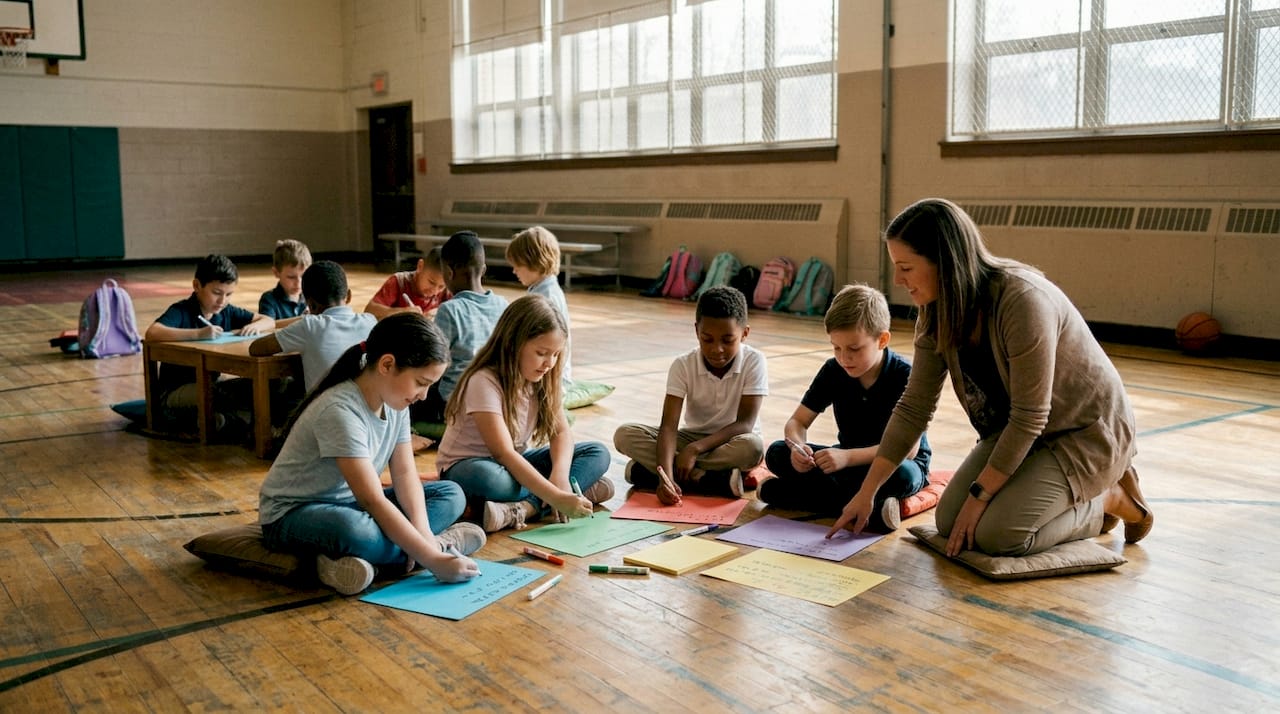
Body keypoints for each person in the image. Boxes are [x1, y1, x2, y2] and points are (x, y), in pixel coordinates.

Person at [827, 198, 1153, 556]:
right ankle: (1068, 498)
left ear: (945, 262)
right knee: (951, 522)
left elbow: (1031, 416)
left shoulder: (1022, 300)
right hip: (1018, 432)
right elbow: (913, 408)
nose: (898, 280)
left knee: (999, 536)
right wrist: (867, 493)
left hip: (1082, 433)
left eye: (905, 267)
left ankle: (1108, 497)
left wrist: (980, 498)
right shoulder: (934, 311)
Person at [259, 313, 486, 596]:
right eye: (421, 382)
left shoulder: (396, 403)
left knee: (451, 494)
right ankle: (434, 547)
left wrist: (425, 539)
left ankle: (390, 556)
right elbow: (373, 500)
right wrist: (433, 560)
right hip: (294, 514)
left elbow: (404, 475)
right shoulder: (339, 411)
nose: (425, 395)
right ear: (387, 364)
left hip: (352, 505)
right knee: (357, 532)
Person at [759, 284, 930, 531]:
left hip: (895, 463)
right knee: (776, 453)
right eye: (836, 347)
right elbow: (797, 422)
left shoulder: (904, 376)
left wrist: (847, 457)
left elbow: (908, 451)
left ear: (882, 340)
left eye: (854, 349)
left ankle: (789, 495)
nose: (843, 357)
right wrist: (798, 448)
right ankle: (875, 510)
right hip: (848, 462)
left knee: (903, 475)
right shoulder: (833, 370)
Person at [437, 294, 613, 532]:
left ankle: (524, 509)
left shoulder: (542, 378)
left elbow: (561, 432)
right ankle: (568, 495)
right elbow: (504, 453)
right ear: (513, 343)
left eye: (555, 354)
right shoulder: (483, 380)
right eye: (542, 353)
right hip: (471, 467)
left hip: (516, 466)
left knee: (597, 452)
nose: (549, 362)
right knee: (493, 481)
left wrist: (560, 475)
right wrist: (555, 494)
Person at [614, 285, 767, 502]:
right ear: (697, 331)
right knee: (624, 434)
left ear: (744, 334)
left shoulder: (754, 361)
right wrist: (665, 479)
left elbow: (744, 424)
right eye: (707, 339)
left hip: (733, 439)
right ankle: (704, 477)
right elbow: (669, 426)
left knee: (753, 448)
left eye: (727, 340)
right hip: (690, 437)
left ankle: (651, 471)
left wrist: (694, 450)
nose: (717, 349)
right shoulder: (683, 365)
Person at [144, 254, 273, 434]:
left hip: (209, 384)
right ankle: (219, 422)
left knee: (257, 386)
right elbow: (152, 332)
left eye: (229, 294)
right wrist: (198, 334)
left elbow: (268, 320)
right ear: (197, 286)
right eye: (216, 293)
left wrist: (255, 326)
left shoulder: (226, 310)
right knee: (223, 394)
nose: (222, 301)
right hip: (175, 393)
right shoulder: (182, 310)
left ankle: (222, 422)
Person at [412, 231, 508, 425]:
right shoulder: (503, 304)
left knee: (404, 391)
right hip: (496, 398)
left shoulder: (450, 309)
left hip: (455, 402)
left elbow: (434, 360)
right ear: (484, 270)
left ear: (448, 272)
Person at [250, 260, 376, 393]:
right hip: (369, 410)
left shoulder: (310, 326)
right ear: (349, 296)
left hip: (326, 411)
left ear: (310, 304)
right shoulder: (371, 321)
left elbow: (256, 348)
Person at [506, 226, 572, 387]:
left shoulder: (546, 297)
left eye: (517, 266)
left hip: (549, 377)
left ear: (533, 262)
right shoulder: (543, 288)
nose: (514, 271)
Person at [365, 246, 451, 320]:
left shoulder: (446, 289)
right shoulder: (399, 282)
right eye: (431, 282)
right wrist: (403, 312)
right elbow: (369, 310)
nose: (435, 291)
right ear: (420, 266)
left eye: (441, 287)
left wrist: (440, 312)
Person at [258, 239, 312, 321]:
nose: (298, 283)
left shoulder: (313, 296)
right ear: (276, 272)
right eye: (291, 277)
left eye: (304, 276)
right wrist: (302, 320)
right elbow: (268, 326)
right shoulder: (269, 300)